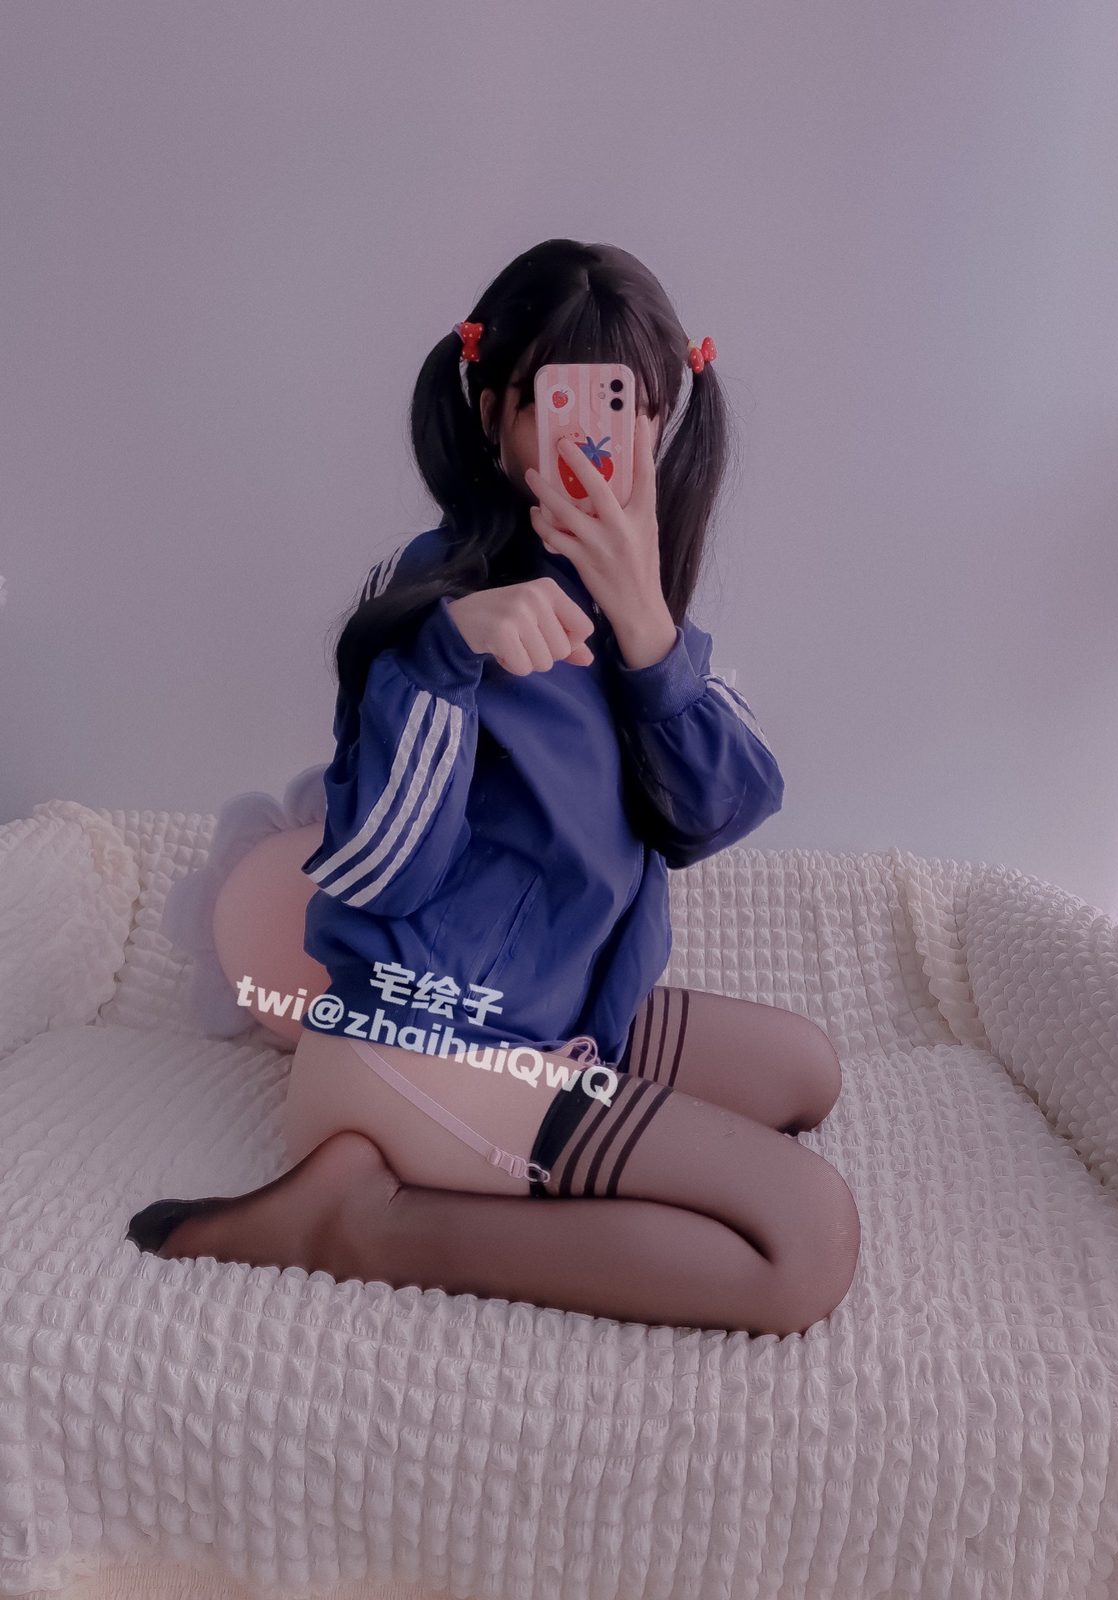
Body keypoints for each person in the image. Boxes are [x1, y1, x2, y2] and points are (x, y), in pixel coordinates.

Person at [126, 238, 861, 1336]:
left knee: (806, 1072)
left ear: (665, 420)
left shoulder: (633, 607)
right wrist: (447, 657)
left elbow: (720, 810)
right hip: (421, 1039)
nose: (597, 438)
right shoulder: (431, 597)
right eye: (556, 401)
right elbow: (377, 871)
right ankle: (359, 1220)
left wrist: (648, 627)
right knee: (806, 1240)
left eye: (627, 404)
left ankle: (516, 1132)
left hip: (555, 1012)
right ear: (493, 415)